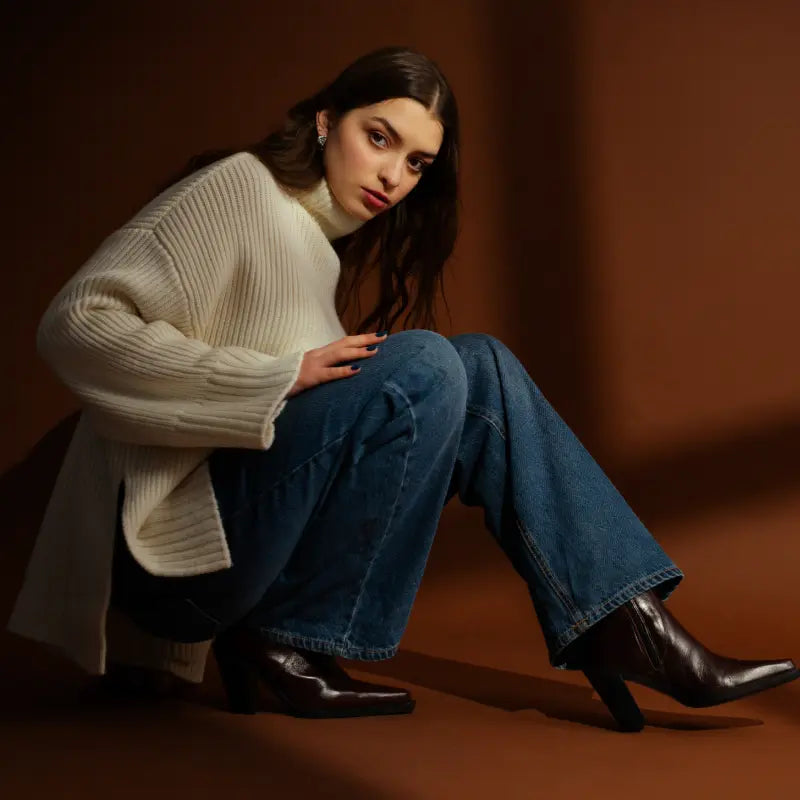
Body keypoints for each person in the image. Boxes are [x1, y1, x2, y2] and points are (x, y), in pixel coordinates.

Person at [8, 46, 798, 733]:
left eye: (416, 162)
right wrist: (271, 375)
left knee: (479, 365)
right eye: (377, 137)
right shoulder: (237, 189)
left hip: (241, 548)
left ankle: (625, 623)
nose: (392, 175)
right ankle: (293, 633)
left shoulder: (316, 248)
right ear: (325, 122)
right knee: (423, 363)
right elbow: (76, 323)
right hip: (176, 569)